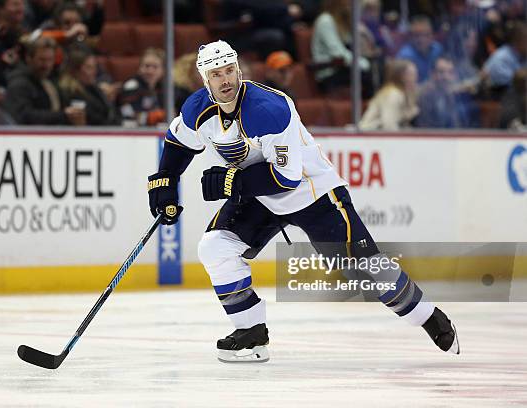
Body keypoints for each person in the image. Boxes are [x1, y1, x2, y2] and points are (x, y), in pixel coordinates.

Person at [146, 40, 460, 363]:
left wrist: (232, 181)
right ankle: (250, 332)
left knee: (365, 270)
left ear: (238, 70)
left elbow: (286, 178)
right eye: (216, 74)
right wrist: (165, 179)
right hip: (260, 196)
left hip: (312, 193)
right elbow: (177, 142)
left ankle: (426, 315)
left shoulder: (269, 110)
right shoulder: (197, 109)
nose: (225, 80)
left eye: (229, 71)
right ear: (204, 79)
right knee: (215, 247)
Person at [4, 36, 85, 125]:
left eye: (50, 60)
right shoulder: (19, 83)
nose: (46, 65)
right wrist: (63, 115)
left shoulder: (51, 81)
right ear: (29, 58)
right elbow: (24, 116)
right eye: (42, 60)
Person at [311, 0, 372, 94]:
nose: (349, 5)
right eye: (347, 3)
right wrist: (362, 63)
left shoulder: (342, 21)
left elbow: (356, 46)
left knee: (377, 65)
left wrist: (362, 30)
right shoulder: (325, 20)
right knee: (367, 75)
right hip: (329, 73)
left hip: (343, 68)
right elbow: (338, 53)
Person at [58, 46, 120, 126]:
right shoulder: (71, 92)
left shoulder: (93, 87)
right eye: (89, 67)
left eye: (95, 67)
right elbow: (96, 120)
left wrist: (110, 100)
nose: (94, 72)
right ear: (75, 70)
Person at [416, 56, 480, 128]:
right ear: (432, 74)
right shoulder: (425, 97)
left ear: (455, 75)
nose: (446, 76)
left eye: (450, 72)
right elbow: (427, 129)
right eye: (441, 72)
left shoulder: (457, 96)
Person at [360, 59, 419, 130]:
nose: (415, 78)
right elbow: (389, 126)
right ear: (402, 77)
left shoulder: (406, 93)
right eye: (412, 74)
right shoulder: (393, 94)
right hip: (370, 136)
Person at [119, 47, 165, 127]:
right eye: (146, 66)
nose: (150, 71)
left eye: (155, 67)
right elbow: (128, 113)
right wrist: (152, 117)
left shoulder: (163, 88)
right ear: (140, 68)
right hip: (130, 133)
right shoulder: (131, 86)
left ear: (163, 70)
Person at [483, 22, 527, 97]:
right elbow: (516, 85)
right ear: (516, 42)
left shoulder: (523, 55)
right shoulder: (501, 58)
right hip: (499, 100)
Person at [395, 16, 444, 83]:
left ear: (432, 35)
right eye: (417, 35)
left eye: (426, 35)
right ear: (410, 36)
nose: (422, 39)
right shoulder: (404, 57)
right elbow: (403, 87)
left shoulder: (438, 49)